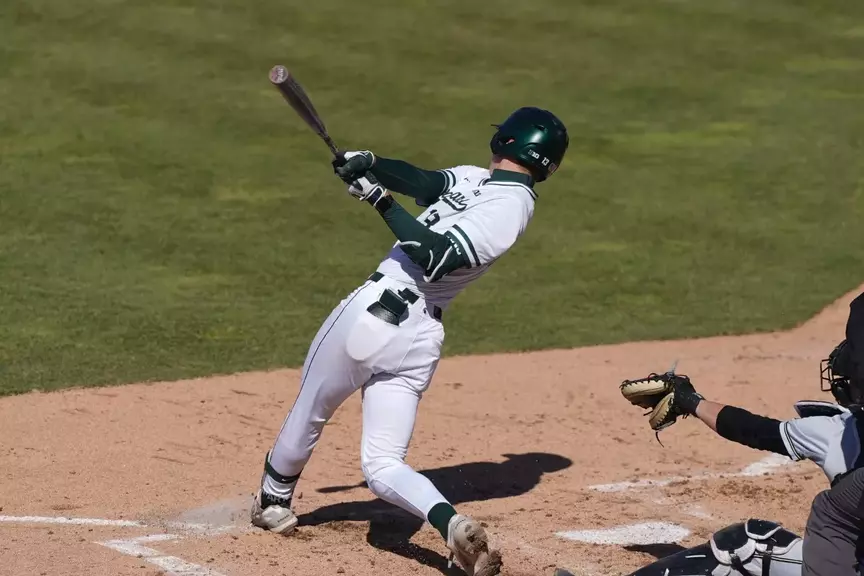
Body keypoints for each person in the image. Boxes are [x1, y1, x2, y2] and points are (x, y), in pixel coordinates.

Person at [250, 107, 569, 576]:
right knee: (382, 464)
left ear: (507, 139)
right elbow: (424, 182)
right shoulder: (477, 181)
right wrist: (372, 163)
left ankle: (273, 501)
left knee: (311, 407)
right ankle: (452, 524)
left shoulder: (511, 208)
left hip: (372, 316)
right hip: (418, 340)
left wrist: (379, 199)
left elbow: (436, 257)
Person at [619, 291, 864, 576]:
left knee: (745, 544)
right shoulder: (834, 430)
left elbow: (756, 431)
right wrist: (692, 402)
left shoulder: (838, 431)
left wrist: (690, 401)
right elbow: (752, 429)